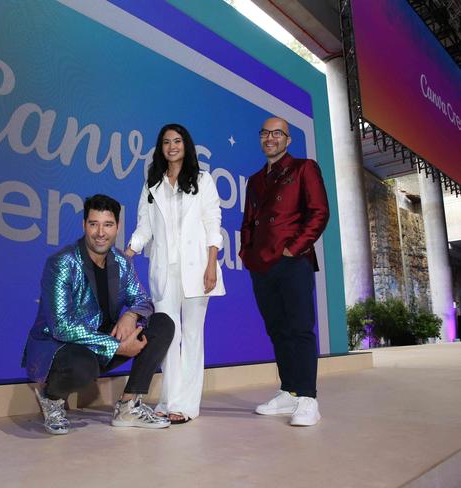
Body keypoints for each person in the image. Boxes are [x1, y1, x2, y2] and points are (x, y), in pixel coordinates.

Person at [22, 195, 175, 435]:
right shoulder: (62, 263)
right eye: (94, 224)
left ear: (117, 227)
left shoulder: (122, 263)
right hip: (61, 348)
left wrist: (131, 315)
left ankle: (128, 405)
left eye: (108, 224)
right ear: (84, 225)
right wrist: (115, 346)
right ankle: (51, 398)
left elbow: (142, 300)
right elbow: (61, 326)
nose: (100, 232)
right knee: (82, 366)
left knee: (162, 324)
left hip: (101, 342)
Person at [126, 123, 225, 424]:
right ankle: (169, 400)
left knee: (193, 335)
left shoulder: (203, 180)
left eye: (177, 141)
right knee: (168, 334)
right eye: (166, 142)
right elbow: (144, 225)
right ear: (161, 148)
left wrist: (211, 264)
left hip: (197, 268)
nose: (172, 146)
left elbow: (213, 222)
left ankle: (186, 405)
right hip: (164, 269)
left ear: (186, 145)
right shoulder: (152, 184)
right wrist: (133, 246)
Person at [239, 116, 329, 426]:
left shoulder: (304, 168)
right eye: (265, 133)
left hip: (293, 261)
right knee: (277, 330)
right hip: (261, 265)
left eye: (278, 133)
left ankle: (308, 398)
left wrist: (294, 247)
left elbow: (319, 213)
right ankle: (289, 392)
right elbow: (249, 222)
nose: (270, 138)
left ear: (288, 140)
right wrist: (247, 253)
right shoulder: (255, 180)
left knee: (300, 328)